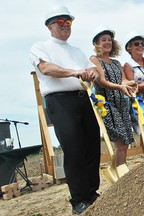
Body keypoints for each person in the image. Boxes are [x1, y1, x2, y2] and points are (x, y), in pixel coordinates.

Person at [30, 6, 100, 214]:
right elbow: (46, 69)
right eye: (61, 22)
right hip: (60, 102)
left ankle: (92, 193)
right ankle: (78, 199)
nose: (66, 26)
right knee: (74, 149)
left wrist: (93, 73)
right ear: (50, 26)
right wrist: (77, 72)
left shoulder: (77, 51)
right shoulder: (40, 47)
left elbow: (92, 68)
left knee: (92, 146)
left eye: (68, 22)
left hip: (83, 99)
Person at [90, 26, 134, 167]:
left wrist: (130, 83)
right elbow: (102, 82)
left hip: (121, 104)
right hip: (107, 106)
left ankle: (119, 170)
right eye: (103, 40)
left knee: (125, 144)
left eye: (109, 40)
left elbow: (123, 81)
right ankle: (121, 177)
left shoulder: (116, 63)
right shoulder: (94, 60)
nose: (107, 42)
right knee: (120, 143)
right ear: (97, 43)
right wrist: (121, 87)